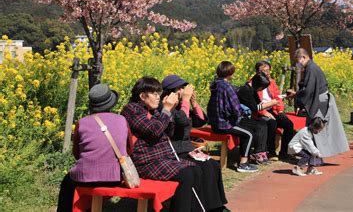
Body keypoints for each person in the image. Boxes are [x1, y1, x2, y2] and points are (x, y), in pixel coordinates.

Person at [121, 77, 205, 212]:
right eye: (154, 94)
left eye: (158, 94)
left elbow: (169, 132)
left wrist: (169, 110)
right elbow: (154, 131)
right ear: (142, 96)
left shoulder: (152, 109)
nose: (158, 97)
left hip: (160, 158)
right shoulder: (132, 110)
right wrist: (166, 109)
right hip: (145, 162)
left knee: (196, 170)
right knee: (187, 174)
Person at [57, 84, 131, 212]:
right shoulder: (122, 120)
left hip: (85, 177)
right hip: (115, 178)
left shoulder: (82, 122)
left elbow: (76, 154)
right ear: (111, 103)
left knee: (67, 183)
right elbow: (129, 149)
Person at [160, 75, 228, 211]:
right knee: (204, 167)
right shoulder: (166, 107)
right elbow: (182, 121)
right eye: (180, 88)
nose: (184, 91)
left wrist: (194, 103)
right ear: (172, 91)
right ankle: (205, 206)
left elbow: (201, 121)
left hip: (187, 149)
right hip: (175, 151)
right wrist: (185, 100)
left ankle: (215, 205)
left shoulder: (180, 106)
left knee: (213, 165)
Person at [287, 48, 349, 159]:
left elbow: (308, 90)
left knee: (316, 127)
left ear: (304, 57)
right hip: (320, 99)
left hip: (319, 101)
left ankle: (316, 157)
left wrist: (296, 95)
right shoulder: (310, 67)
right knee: (318, 129)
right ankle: (315, 155)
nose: (297, 63)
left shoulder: (311, 68)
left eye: (298, 60)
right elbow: (307, 87)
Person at [207, 61, 265, 172]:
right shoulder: (227, 87)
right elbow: (235, 109)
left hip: (214, 123)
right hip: (223, 124)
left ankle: (243, 159)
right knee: (249, 134)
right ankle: (243, 164)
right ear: (230, 73)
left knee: (246, 130)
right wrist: (243, 113)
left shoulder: (215, 84)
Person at [254, 60, 295, 161]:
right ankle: (271, 152)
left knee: (288, 124)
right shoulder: (253, 83)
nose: (267, 73)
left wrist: (280, 111)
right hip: (260, 112)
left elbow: (278, 97)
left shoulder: (271, 82)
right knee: (272, 123)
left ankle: (284, 152)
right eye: (264, 71)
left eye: (268, 71)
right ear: (257, 72)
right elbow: (254, 104)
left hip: (273, 109)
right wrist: (264, 113)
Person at [237, 72, 279, 164]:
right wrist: (270, 103)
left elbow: (258, 104)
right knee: (261, 125)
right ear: (257, 85)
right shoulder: (245, 90)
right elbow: (255, 108)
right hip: (240, 118)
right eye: (262, 88)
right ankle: (258, 153)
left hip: (250, 116)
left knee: (270, 122)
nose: (261, 90)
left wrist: (266, 112)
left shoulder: (253, 89)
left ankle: (266, 151)